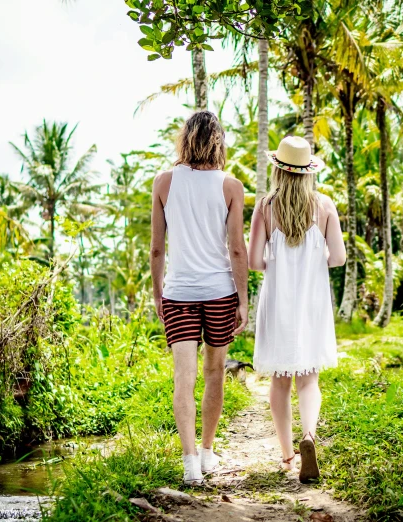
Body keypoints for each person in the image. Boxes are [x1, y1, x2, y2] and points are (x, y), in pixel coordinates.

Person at [151, 111, 249, 485]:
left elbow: (157, 248)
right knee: (214, 375)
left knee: (183, 379)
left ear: (185, 140)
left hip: (179, 292)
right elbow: (236, 249)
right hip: (220, 291)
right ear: (218, 141)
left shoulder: (163, 182)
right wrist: (242, 299)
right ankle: (207, 453)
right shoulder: (230, 185)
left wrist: (159, 293)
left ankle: (190, 461)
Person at [248, 135, 346, 483]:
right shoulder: (325, 206)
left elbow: (254, 262)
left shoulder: (266, 207)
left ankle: (288, 455)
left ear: (279, 170)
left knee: (280, 380)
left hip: (278, 301)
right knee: (309, 379)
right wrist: (313, 254)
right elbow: (338, 258)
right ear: (309, 172)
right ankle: (309, 436)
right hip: (312, 302)